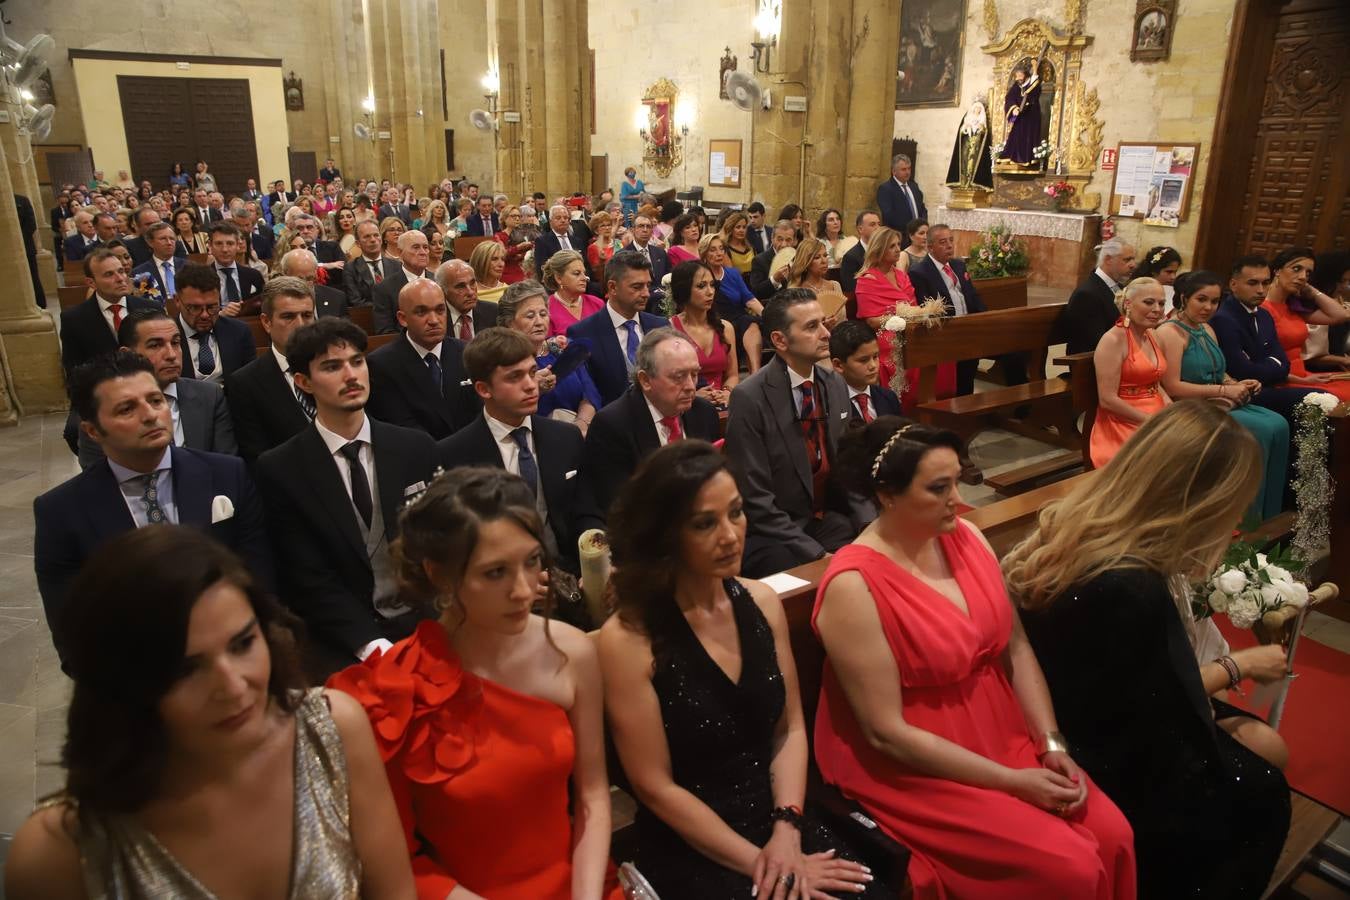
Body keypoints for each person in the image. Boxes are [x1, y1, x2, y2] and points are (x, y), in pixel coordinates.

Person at [812, 417, 1136, 898]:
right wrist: (1011, 782)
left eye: (958, 482)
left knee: (1115, 836)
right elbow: (885, 732)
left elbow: (1017, 647)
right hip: (915, 759)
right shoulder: (852, 586)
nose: (957, 500)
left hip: (1001, 730)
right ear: (887, 494)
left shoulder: (968, 538)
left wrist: (1050, 744)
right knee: (1069, 867)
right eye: (939, 488)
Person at [6, 526, 414, 900]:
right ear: (122, 683)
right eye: (186, 669)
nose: (234, 687)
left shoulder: (332, 729)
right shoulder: (59, 853)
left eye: (242, 644)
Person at [1004, 400, 1291, 899]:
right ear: (1199, 500)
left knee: (1265, 752)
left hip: (1078, 716)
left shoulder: (1086, 526)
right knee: (1261, 795)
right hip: (1097, 752)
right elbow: (1158, 718)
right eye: (1233, 502)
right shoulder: (1131, 586)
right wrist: (1236, 664)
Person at [597, 441, 882, 898]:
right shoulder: (628, 639)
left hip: (779, 813)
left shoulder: (763, 602)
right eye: (704, 524)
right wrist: (766, 865)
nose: (730, 535)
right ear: (665, 535)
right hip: (693, 838)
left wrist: (788, 829)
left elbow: (788, 729)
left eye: (735, 512)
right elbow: (655, 787)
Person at [328, 467, 623, 899]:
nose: (524, 590)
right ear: (439, 574)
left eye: (532, 562)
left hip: (580, 880)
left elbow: (594, 797)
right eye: (495, 573)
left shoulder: (571, 652)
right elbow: (396, 861)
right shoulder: (393, 691)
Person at [35, 352, 271, 664]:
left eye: (156, 401)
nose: (150, 415)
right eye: (126, 409)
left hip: (236, 652)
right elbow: (72, 633)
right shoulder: (61, 511)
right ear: (92, 431)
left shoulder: (228, 474)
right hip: (136, 679)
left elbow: (261, 581)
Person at [257, 317, 439, 676]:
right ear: (303, 382)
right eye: (332, 366)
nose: (351, 375)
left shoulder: (415, 447)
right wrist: (371, 645)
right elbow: (307, 577)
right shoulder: (281, 468)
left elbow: (443, 544)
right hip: (344, 638)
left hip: (429, 620)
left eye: (357, 361)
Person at [725, 289, 874, 578]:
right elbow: (755, 498)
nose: (826, 334)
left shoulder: (833, 383)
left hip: (824, 517)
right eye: (811, 327)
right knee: (820, 576)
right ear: (780, 340)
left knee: (876, 559)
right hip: (772, 531)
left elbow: (848, 465)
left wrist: (870, 524)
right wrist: (817, 554)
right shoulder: (749, 398)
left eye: (822, 322)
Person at [436, 327, 596, 572]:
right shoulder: (454, 455)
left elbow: (587, 510)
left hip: (572, 573)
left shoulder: (565, 437)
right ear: (483, 389)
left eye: (532, 373)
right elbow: (462, 544)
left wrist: (591, 565)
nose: (531, 385)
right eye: (514, 377)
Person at [1157, 271, 1288, 523]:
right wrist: (1224, 390)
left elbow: (1218, 370)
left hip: (1218, 399)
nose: (1208, 307)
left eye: (1214, 301)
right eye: (1201, 299)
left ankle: (1269, 516)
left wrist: (1237, 383)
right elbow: (1173, 386)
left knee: (1278, 424)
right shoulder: (1169, 332)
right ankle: (1245, 519)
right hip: (1190, 407)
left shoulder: (1206, 328)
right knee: (1259, 431)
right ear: (1184, 298)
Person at [578, 328, 720, 526]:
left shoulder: (703, 413)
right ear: (645, 380)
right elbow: (619, 509)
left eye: (694, 374)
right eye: (678, 376)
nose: (690, 386)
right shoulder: (612, 425)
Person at [78, 309, 236, 468]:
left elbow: (226, 466)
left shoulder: (209, 395)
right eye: (155, 345)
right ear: (128, 354)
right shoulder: (104, 409)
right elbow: (96, 478)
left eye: (175, 343)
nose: (171, 355)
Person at [366, 279, 481, 440]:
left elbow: (480, 414)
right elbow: (400, 425)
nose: (434, 320)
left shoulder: (467, 353)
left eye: (440, 310)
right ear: (402, 318)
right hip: (419, 456)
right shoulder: (382, 364)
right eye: (421, 312)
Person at [855, 226, 957, 409]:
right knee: (900, 353)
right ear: (879, 249)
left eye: (898, 245)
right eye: (891, 246)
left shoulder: (902, 276)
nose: (897, 250)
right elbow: (871, 320)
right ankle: (905, 407)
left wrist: (922, 315)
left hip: (910, 328)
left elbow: (913, 307)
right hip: (884, 333)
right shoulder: (866, 279)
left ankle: (936, 404)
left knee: (939, 350)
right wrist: (898, 322)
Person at [225, 277, 319, 465]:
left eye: (307, 315)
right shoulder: (245, 383)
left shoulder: (339, 366)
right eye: (288, 317)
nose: (300, 325)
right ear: (266, 322)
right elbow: (257, 458)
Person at [1089, 277, 1170, 468]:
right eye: (1149, 302)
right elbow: (1108, 400)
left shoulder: (1152, 335)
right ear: (1128, 304)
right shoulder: (1113, 340)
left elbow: (1155, 382)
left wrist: (1170, 409)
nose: (1157, 309)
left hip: (1156, 415)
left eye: (1161, 303)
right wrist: (1150, 421)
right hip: (1123, 420)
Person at [498, 280, 601, 430]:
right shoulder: (503, 362)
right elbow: (504, 411)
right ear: (509, 323)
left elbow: (590, 394)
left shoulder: (563, 349)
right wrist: (535, 389)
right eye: (530, 316)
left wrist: (581, 426)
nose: (539, 322)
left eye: (543, 313)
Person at [568, 252, 667, 406]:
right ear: (612, 287)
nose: (646, 293)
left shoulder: (660, 326)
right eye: (637, 287)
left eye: (648, 285)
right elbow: (587, 393)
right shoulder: (583, 333)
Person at [1261, 246, 1350, 401]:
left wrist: (1310, 289)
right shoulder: (1262, 307)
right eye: (1296, 269)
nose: (1303, 276)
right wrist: (1301, 381)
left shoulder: (1294, 306)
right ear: (1277, 270)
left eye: (1308, 273)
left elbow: (1341, 315)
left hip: (1303, 374)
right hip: (1282, 379)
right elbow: (1260, 360)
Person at [174, 263, 256, 385]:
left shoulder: (239, 332)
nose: (205, 315)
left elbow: (250, 382)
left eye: (212, 307)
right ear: (177, 301)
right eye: (195, 308)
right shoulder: (165, 337)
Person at [670, 260, 738, 405]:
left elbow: (732, 375)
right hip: (687, 406)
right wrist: (692, 394)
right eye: (701, 286)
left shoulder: (726, 328)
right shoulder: (670, 329)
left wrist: (727, 392)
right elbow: (667, 380)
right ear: (684, 290)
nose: (710, 291)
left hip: (722, 405)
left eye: (712, 285)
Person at [1057, 240, 1138, 355]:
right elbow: (1095, 340)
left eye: (1133, 259)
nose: (1133, 265)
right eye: (1127, 259)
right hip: (1092, 362)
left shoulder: (1118, 286)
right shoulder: (1087, 294)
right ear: (1108, 259)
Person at [700, 232, 764, 372]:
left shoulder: (733, 273)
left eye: (721, 249)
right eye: (713, 249)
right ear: (704, 254)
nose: (719, 253)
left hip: (738, 317)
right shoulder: (700, 276)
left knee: (751, 323)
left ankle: (755, 374)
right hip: (714, 319)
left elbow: (749, 299)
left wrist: (766, 314)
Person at [829, 320, 901, 425]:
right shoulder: (829, 405)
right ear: (838, 365)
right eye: (863, 360)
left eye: (875, 356)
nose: (873, 366)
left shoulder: (889, 398)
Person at [372, 229, 432, 335]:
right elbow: (385, 332)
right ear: (400, 253)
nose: (423, 252)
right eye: (416, 247)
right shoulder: (384, 289)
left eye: (425, 247)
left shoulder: (439, 281)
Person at [543, 249, 606, 337]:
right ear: (559, 278)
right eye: (577, 274)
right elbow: (545, 346)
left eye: (584, 273)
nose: (584, 278)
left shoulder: (597, 303)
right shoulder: (547, 309)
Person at [999, 62, 1043, 166]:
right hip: (1019, 117)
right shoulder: (1016, 86)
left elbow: (1034, 87)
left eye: (1020, 75)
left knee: (1028, 137)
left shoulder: (1032, 83)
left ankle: (1026, 159)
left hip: (1031, 116)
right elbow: (1009, 98)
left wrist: (1035, 68)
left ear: (1026, 74)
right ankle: (1012, 157)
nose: (1018, 78)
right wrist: (1014, 108)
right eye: (1016, 76)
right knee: (1015, 136)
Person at [787, 237, 845, 315]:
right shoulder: (796, 291)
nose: (824, 261)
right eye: (817, 257)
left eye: (825, 255)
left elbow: (843, 319)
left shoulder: (835, 285)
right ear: (806, 262)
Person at [875, 154, 926, 243]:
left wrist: (922, 227)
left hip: (917, 237)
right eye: (903, 169)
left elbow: (922, 209)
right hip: (899, 237)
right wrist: (911, 230)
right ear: (894, 171)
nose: (907, 172)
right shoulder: (886, 189)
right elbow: (889, 215)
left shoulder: (914, 186)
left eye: (909, 168)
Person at [838, 210, 880, 295]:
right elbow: (851, 288)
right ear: (860, 229)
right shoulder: (851, 257)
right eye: (872, 224)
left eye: (879, 224)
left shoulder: (885, 252)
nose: (878, 228)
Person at [494, 205, 531, 282]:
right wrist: (518, 248)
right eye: (513, 216)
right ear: (504, 219)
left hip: (524, 269)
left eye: (519, 216)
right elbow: (502, 255)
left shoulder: (524, 235)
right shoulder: (499, 236)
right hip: (507, 271)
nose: (517, 218)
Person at [815, 208, 856, 276]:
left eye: (838, 219)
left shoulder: (848, 241)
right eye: (831, 220)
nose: (836, 222)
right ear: (824, 224)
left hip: (846, 277)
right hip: (825, 277)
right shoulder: (818, 243)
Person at [585, 211, 622, 282]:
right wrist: (602, 261)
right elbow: (596, 273)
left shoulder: (619, 242)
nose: (607, 228)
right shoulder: (593, 248)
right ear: (596, 230)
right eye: (603, 226)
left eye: (609, 225)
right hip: (605, 283)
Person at [470, 238, 509, 303]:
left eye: (502, 259)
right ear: (481, 261)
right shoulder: (469, 292)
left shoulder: (508, 291)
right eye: (494, 259)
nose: (501, 264)